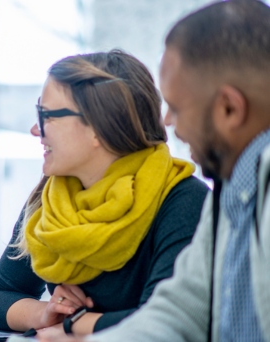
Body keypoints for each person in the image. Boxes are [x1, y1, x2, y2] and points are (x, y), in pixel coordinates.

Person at [40, 1, 270, 341]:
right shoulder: (232, 192)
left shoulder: (197, 196)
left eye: (175, 107)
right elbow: (178, 312)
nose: (166, 122)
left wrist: (76, 325)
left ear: (229, 109)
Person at [0, 49, 208, 339]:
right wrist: (46, 312)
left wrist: (73, 325)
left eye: (47, 115)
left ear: (99, 128)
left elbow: (165, 320)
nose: (35, 129)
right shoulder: (53, 197)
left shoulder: (182, 200)